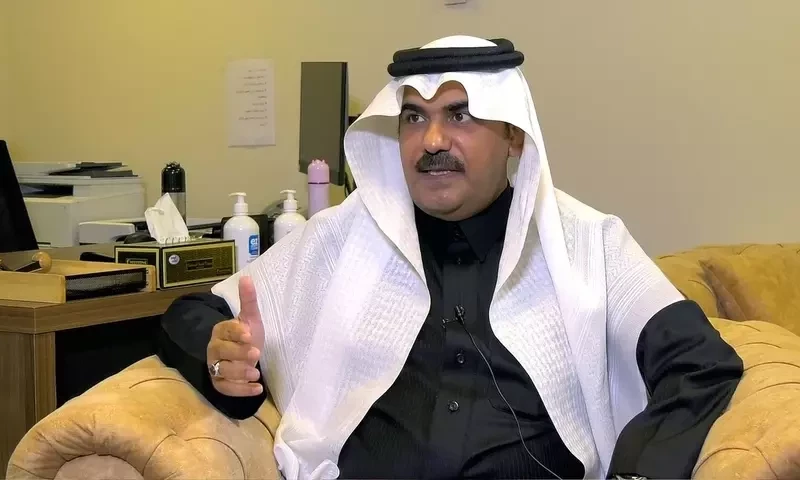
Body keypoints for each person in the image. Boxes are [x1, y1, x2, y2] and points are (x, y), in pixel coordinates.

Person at [158, 36, 743, 480]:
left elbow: (700, 365)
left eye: (459, 115)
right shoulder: (342, 238)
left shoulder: (588, 243)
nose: (432, 141)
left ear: (513, 135)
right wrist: (218, 357)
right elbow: (191, 312)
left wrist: (639, 472)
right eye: (414, 117)